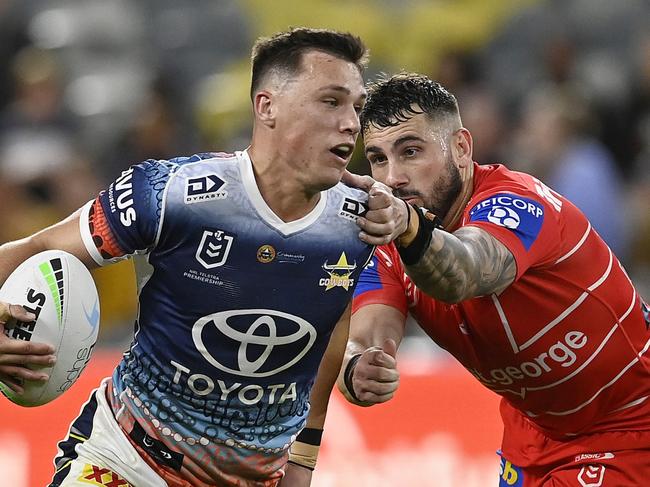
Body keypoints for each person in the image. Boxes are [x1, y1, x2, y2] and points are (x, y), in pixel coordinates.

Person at [0, 28, 404, 487]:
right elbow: (37, 248)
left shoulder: (361, 220)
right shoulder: (170, 193)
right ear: (266, 106)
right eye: (331, 102)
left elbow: (331, 327)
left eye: (356, 106)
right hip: (128, 462)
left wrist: (306, 457)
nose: (351, 123)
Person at [339, 73, 650, 486]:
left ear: (462, 148)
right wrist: (357, 367)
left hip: (632, 422)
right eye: (378, 159)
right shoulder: (390, 245)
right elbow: (368, 336)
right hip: (533, 433)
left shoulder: (517, 202)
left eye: (410, 151)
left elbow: (463, 271)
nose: (392, 177)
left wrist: (411, 228)